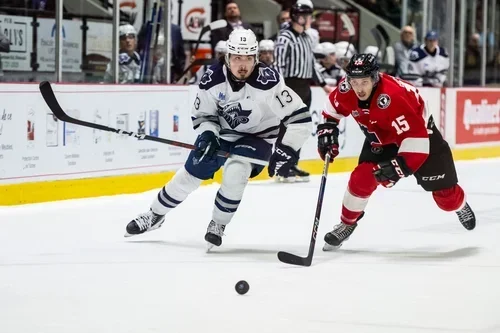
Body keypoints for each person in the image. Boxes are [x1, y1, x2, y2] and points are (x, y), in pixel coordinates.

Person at [125, 29, 312, 249]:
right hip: (223, 133)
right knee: (191, 172)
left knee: (236, 170)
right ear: (227, 57)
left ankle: (218, 223)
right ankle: (155, 215)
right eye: (237, 58)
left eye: (248, 59)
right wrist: (208, 134)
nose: (242, 65)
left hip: (258, 137)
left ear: (256, 59)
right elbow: (204, 115)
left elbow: (300, 118)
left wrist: (287, 150)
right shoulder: (212, 78)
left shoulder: (269, 82)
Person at [316, 53, 476, 250]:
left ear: (375, 78)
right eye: (354, 82)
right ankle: (346, 224)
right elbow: (332, 109)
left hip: (421, 137)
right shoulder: (347, 87)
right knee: (361, 177)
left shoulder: (394, 96)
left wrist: (398, 168)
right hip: (381, 139)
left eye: (364, 82)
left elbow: (416, 142)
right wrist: (327, 130)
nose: (358, 88)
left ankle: (460, 206)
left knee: (447, 199)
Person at [274, 0, 330, 182]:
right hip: (290, 85)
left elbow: (312, 64)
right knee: (287, 127)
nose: (305, 18)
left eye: (307, 15)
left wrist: (323, 85)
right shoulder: (285, 37)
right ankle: (281, 166)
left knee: (301, 128)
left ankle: (292, 163)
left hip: (305, 87)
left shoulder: (307, 37)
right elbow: (278, 64)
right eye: (302, 15)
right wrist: (281, 88)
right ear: (294, 16)